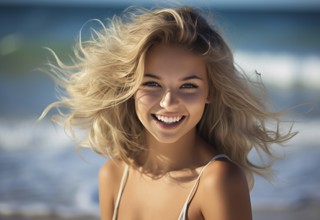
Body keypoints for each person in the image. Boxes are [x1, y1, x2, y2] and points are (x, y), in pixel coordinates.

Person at [41, 6, 297, 220]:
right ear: (130, 88)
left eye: (188, 86)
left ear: (211, 92)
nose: (169, 102)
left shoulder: (217, 182)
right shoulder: (113, 175)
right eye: (152, 83)